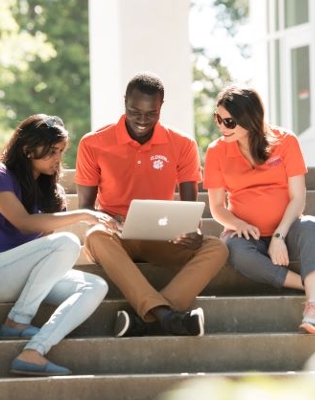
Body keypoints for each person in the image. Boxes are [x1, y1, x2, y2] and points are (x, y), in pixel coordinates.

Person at [75, 72, 229, 337]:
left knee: (217, 248)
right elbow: (86, 210)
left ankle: (152, 316)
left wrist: (192, 232)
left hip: (162, 236)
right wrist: (108, 221)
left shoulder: (182, 144)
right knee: (94, 235)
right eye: (135, 111)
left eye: (151, 114)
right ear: (124, 102)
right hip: (115, 237)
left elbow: (189, 210)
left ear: (161, 107)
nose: (142, 121)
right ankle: (167, 315)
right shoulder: (93, 144)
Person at [0, 114, 113, 376]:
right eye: (52, 151)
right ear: (27, 149)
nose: (58, 158)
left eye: (61, 151)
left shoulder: (52, 193)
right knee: (67, 241)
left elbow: (46, 254)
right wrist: (84, 214)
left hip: (23, 277)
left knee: (95, 285)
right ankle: (18, 320)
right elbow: (23, 223)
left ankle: (35, 351)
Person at [203, 86, 315, 335]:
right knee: (234, 250)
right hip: (246, 236)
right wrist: (239, 225)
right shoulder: (216, 151)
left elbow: (298, 198)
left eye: (229, 121)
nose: (222, 126)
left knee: (311, 226)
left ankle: (314, 307)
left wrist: (278, 236)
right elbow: (217, 208)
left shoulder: (286, 141)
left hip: (288, 230)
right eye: (218, 118)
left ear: (249, 119)